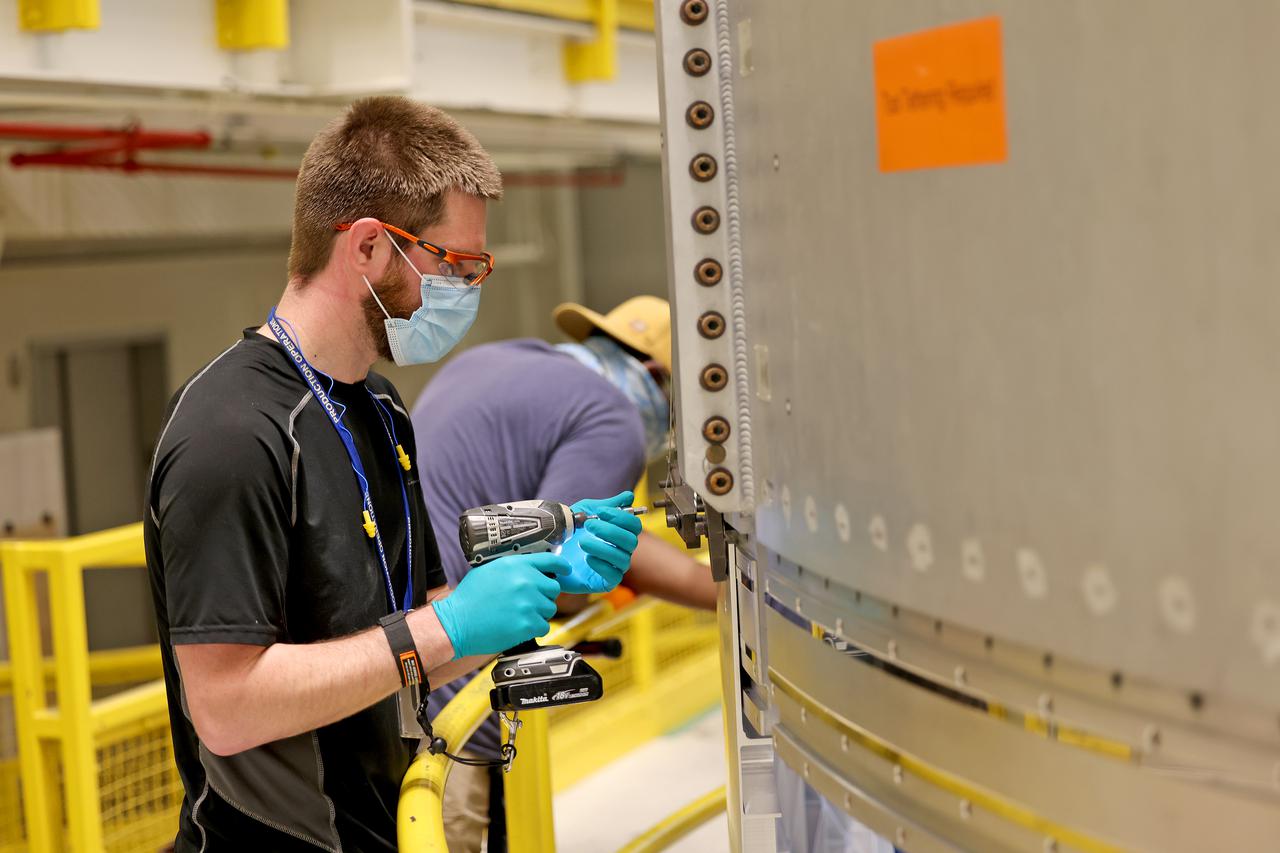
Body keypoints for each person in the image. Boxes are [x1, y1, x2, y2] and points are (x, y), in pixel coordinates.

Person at [143, 96, 642, 851]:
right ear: (370, 247)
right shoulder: (232, 433)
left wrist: (538, 582)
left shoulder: (379, 408)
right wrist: (447, 624)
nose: (467, 288)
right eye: (454, 264)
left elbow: (415, 639)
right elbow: (226, 707)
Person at [410, 295, 718, 851]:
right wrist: (719, 591)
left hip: (394, 653)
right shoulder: (612, 414)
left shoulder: (494, 360)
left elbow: (571, 525)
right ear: (655, 376)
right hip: (452, 688)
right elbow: (573, 566)